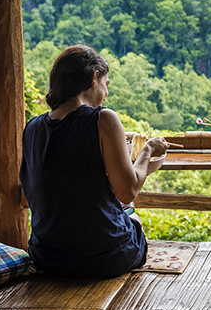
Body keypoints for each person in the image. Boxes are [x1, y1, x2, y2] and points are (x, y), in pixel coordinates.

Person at [20, 44, 168, 278]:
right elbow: (127, 191)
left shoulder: (32, 128)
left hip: (46, 258)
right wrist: (148, 150)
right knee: (130, 212)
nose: (106, 94)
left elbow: (34, 195)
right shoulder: (104, 119)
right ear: (94, 77)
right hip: (104, 258)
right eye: (106, 85)